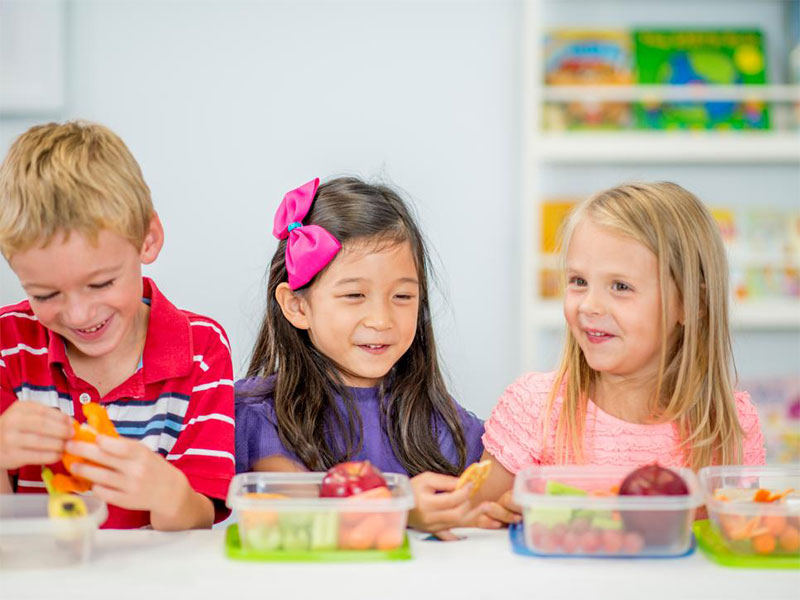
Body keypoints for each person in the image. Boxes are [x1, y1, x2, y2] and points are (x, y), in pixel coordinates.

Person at [474, 182, 765, 527]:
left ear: (691, 304)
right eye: (578, 281)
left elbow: (742, 537)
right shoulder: (534, 406)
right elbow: (476, 526)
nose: (590, 305)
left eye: (621, 287)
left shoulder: (728, 425)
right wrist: (504, 515)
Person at [0, 121, 235, 529]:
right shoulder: (9, 344)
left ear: (148, 239)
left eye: (100, 283)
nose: (78, 315)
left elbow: (200, 518)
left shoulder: (202, 348)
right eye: (45, 294)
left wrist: (167, 492)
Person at [236, 176, 485, 539]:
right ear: (297, 305)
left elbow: (486, 504)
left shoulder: (444, 424)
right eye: (354, 295)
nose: (382, 320)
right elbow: (294, 514)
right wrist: (399, 508)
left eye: (402, 297)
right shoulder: (259, 417)